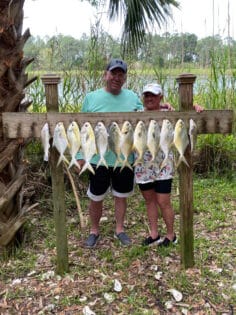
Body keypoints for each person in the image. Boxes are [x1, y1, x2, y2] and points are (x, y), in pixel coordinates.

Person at [77, 58, 143, 248]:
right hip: (98, 159)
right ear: (105, 75)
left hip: (124, 159)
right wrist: (81, 157)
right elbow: (83, 129)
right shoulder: (91, 98)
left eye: (121, 74)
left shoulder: (132, 97)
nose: (117, 77)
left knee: (121, 196)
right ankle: (94, 231)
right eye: (113, 73)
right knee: (96, 197)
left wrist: (165, 108)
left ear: (125, 78)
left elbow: (145, 118)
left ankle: (120, 229)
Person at [134, 83, 203, 247]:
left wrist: (194, 106)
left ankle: (171, 235)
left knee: (163, 201)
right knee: (149, 200)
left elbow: (187, 115)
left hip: (164, 166)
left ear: (161, 97)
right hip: (142, 166)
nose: (149, 98)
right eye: (147, 95)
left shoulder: (169, 113)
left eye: (153, 95)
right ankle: (154, 234)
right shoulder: (136, 114)